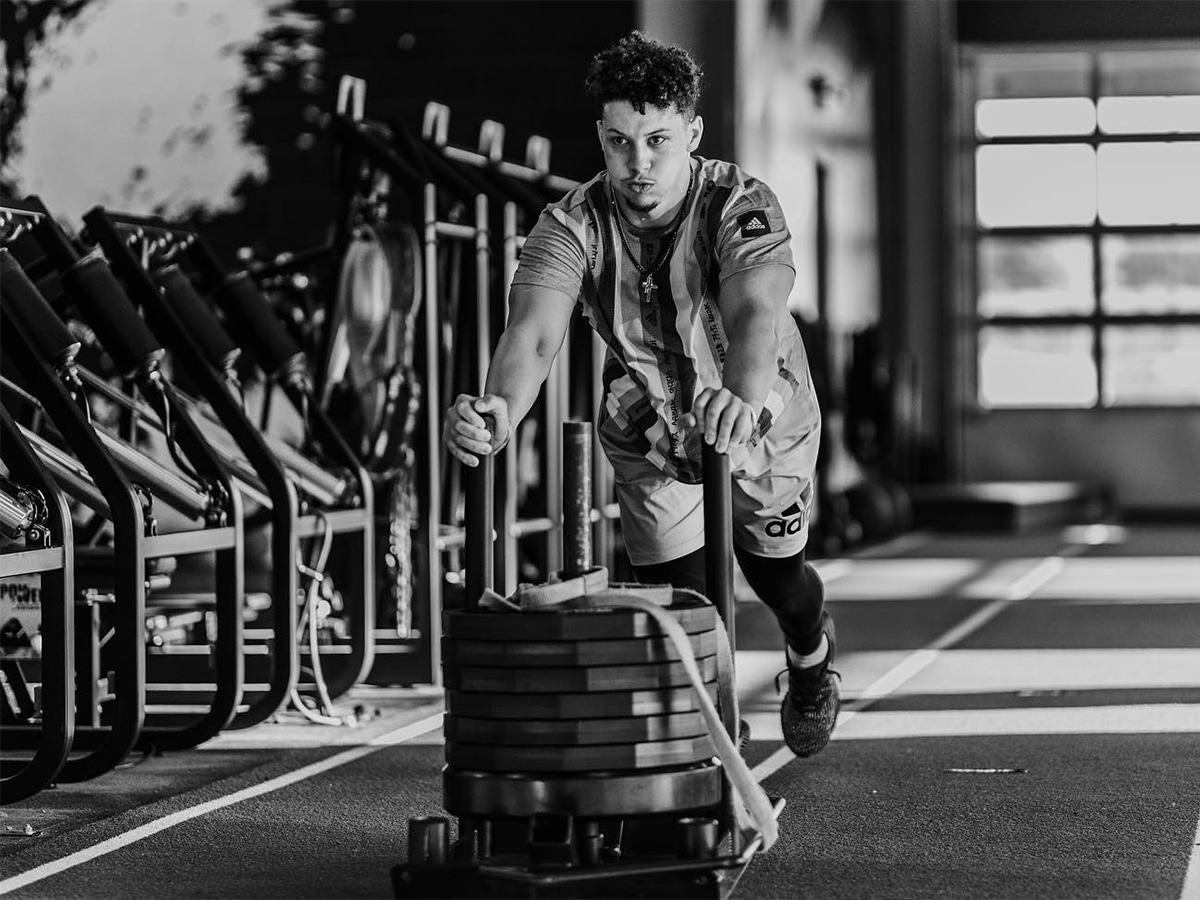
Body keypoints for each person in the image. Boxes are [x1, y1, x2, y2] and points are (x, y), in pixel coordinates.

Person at [443, 31, 838, 758]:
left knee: (777, 580)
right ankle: (709, 731)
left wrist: (741, 399)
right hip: (648, 425)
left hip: (761, 416)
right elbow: (532, 334)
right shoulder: (571, 224)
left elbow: (755, 312)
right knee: (687, 607)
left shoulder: (740, 203)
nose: (639, 163)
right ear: (601, 136)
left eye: (657, 140)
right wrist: (496, 412)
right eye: (620, 142)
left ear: (691, 131)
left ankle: (810, 657)